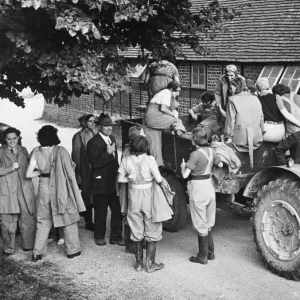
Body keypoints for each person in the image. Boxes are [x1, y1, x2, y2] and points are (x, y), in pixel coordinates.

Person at [26, 125, 85, 262]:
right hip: (60, 188)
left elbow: (28, 174)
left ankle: (37, 253)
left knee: (43, 221)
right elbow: (70, 173)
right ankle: (72, 251)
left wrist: (42, 172)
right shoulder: (61, 151)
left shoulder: (35, 151)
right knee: (68, 219)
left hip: (43, 188)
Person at [118, 135, 173, 273]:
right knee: (152, 229)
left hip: (134, 196)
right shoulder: (150, 160)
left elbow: (120, 178)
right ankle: (150, 263)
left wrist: (132, 179)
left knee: (136, 229)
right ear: (146, 147)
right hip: (149, 195)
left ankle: (138, 264)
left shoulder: (126, 160)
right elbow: (159, 179)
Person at [181, 127, 223, 265]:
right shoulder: (212, 151)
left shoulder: (195, 155)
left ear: (195, 140)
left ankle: (202, 256)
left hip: (198, 187)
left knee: (200, 221)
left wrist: (183, 166)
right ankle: (211, 253)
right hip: (209, 186)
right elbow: (221, 163)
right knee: (209, 221)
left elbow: (185, 175)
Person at [87, 113, 124, 247]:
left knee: (117, 211)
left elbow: (115, 160)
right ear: (99, 127)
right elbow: (94, 163)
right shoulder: (93, 142)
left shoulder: (112, 138)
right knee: (100, 212)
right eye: (106, 126)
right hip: (100, 182)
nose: (109, 129)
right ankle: (99, 236)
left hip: (113, 181)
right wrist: (107, 153)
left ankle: (116, 236)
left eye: (110, 126)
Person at [0, 127, 36, 255]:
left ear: (19, 138)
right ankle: (9, 247)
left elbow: (29, 166)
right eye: (9, 139)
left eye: (14, 138)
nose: (12, 141)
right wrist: (10, 168)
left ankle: (28, 245)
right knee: (8, 220)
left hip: (23, 188)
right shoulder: (0, 152)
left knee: (27, 216)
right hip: (8, 189)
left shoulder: (23, 150)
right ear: (5, 139)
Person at [144, 81, 186, 166]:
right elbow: (163, 109)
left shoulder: (164, 93)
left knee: (155, 145)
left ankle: (158, 166)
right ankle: (184, 135)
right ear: (171, 89)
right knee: (176, 121)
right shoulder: (167, 92)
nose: (178, 94)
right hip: (153, 115)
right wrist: (174, 115)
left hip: (149, 117)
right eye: (176, 91)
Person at [224, 78, 264, 168]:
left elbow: (230, 121)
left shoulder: (231, 100)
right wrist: (261, 132)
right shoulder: (256, 98)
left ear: (237, 87)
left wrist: (227, 136)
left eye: (231, 87)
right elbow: (261, 118)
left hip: (240, 140)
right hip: (256, 138)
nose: (230, 90)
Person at [119, 124, 146, 254]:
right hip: (131, 187)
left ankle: (136, 242)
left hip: (131, 186)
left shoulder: (129, 150)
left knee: (133, 213)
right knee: (130, 214)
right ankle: (130, 243)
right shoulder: (129, 152)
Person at [72, 114, 98, 231]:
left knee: (95, 193)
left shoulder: (97, 133)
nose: (93, 123)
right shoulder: (79, 136)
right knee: (87, 194)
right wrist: (77, 173)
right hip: (85, 168)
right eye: (90, 121)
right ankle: (88, 220)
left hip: (96, 167)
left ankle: (87, 215)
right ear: (84, 122)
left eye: (94, 121)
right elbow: (76, 155)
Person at [256, 77, 300, 143]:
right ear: (268, 86)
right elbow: (286, 115)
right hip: (279, 133)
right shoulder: (276, 97)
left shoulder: (256, 99)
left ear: (258, 88)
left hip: (265, 132)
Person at [272, 84, 300, 165]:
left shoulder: (280, 99)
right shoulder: (297, 96)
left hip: (295, 133)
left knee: (280, 151)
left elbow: (283, 117)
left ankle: (284, 169)